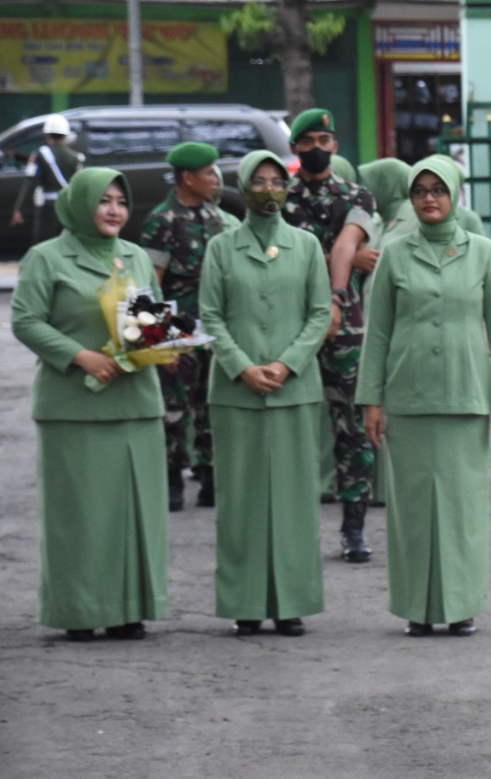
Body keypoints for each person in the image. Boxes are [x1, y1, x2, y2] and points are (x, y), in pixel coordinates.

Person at [356, 156, 491, 638]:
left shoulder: (483, 252)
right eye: (420, 190)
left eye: (438, 189)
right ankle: (417, 607)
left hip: (464, 396)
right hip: (407, 397)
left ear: (453, 194)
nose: (429, 197)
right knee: (412, 509)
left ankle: (462, 605)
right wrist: (371, 399)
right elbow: (378, 333)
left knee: (462, 509)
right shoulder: (394, 253)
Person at [12, 167, 167, 641]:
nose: (115, 210)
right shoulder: (47, 257)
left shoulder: (135, 255)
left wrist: (163, 344)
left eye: (121, 201)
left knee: (132, 511)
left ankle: (129, 610)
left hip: (135, 401)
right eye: (103, 201)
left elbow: (151, 319)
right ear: (80, 204)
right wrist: (78, 356)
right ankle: (78, 610)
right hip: (72, 407)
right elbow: (25, 320)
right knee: (78, 515)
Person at [198, 150, 330, 637]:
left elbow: (320, 313)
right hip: (237, 393)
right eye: (259, 181)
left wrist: (285, 363)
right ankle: (246, 602)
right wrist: (242, 367)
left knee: (296, 500)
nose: (269, 189)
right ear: (243, 187)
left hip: (295, 391)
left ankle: (292, 602)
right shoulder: (221, 248)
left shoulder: (307, 245)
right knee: (242, 501)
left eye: (278, 181)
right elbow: (210, 315)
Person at [281, 108, 378, 563]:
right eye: (308, 141)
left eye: (325, 138)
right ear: (295, 149)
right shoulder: (278, 198)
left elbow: (347, 243)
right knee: (291, 422)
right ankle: (289, 523)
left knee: (352, 425)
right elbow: (281, 257)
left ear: (335, 146)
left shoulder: (358, 194)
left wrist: (338, 290)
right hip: (291, 322)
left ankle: (354, 527)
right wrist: (347, 259)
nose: (318, 147)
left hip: (347, 325)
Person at [141, 141, 240, 511]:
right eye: (209, 173)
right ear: (187, 177)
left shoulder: (215, 216)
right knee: (174, 406)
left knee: (210, 402)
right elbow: (151, 283)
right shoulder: (162, 220)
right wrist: (159, 344)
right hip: (177, 324)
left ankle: (211, 475)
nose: (215, 179)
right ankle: (172, 478)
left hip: (213, 322)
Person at [10, 114, 83, 244]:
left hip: (48, 209)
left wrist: (20, 209)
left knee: (45, 245)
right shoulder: (76, 158)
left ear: (47, 134)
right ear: (65, 135)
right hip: (68, 207)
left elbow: (30, 181)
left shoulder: (40, 154)